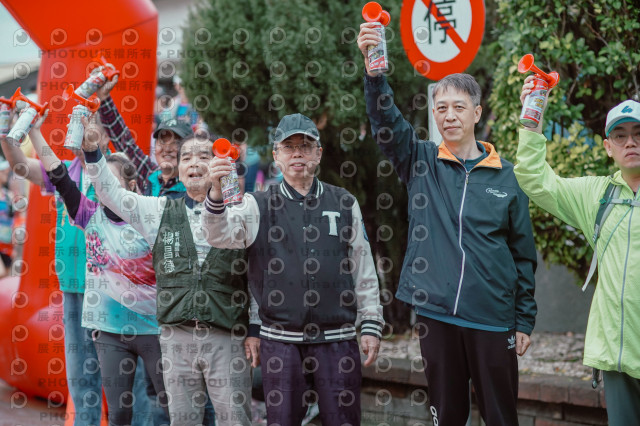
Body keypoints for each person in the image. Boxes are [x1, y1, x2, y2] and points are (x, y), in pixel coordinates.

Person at [358, 26, 537, 426]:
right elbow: (386, 122)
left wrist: (524, 318)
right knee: (447, 416)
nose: (449, 115)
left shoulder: (509, 177)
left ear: (477, 113)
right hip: (437, 315)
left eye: (459, 107)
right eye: (441, 108)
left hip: (493, 318)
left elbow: (523, 254)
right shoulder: (420, 161)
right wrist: (374, 74)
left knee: (501, 417)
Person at [203, 113, 385, 426]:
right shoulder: (257, 204)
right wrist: (216, 194)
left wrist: (370, 322)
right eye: (289, 147)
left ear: (319, 153)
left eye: (305, 146)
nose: (297, 153)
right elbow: (219, 235)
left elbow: (362, 266)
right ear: (276, 156)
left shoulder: (344, 202)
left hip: (337, 339)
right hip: (280, 341)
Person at [81, 120, 253, 426]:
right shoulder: (159, 210)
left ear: (217, 164)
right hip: (175, 337)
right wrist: (93, 151)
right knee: (182, 421)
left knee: (234, 419)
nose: (194, 163)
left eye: (203, 156)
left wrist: (255, 329)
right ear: (180, 170)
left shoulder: (242, 210)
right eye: (186, 157)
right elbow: (112, 194)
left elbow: (257, 274)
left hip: (226, 334)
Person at [515, 78, 640, 425]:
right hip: (617, 358)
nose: (630, 142)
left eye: (638, 133)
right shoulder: (597, 196)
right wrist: (532, 121)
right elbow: (536, 180)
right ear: (608, 147)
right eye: (620, 136)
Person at [28, 122, 169, 426]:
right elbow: (59, 175)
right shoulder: (89, 215)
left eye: (111, 181)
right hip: (109, 330)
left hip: (151, 329)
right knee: (119, 413)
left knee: (168, 403)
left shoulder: (149, 212)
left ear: (132, 186)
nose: (103, 187)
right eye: (99, 181)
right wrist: (34, 130)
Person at [1, 112, 104, 425]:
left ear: (103, 134)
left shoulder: (112, 170)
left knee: (117, 379)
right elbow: (20, 166)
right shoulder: (66, 169)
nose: (81, 131)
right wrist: (7, 130)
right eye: (77, 125)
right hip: (71, 286)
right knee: (79, 377)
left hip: (106, 289)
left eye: (89, 125)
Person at [96, 73, 191, 198]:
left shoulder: (194, 187)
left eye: (176, 143)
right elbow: (123, 140)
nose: (167, 148)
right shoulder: (150, 176)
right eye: (162, 142)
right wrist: (104, 98)